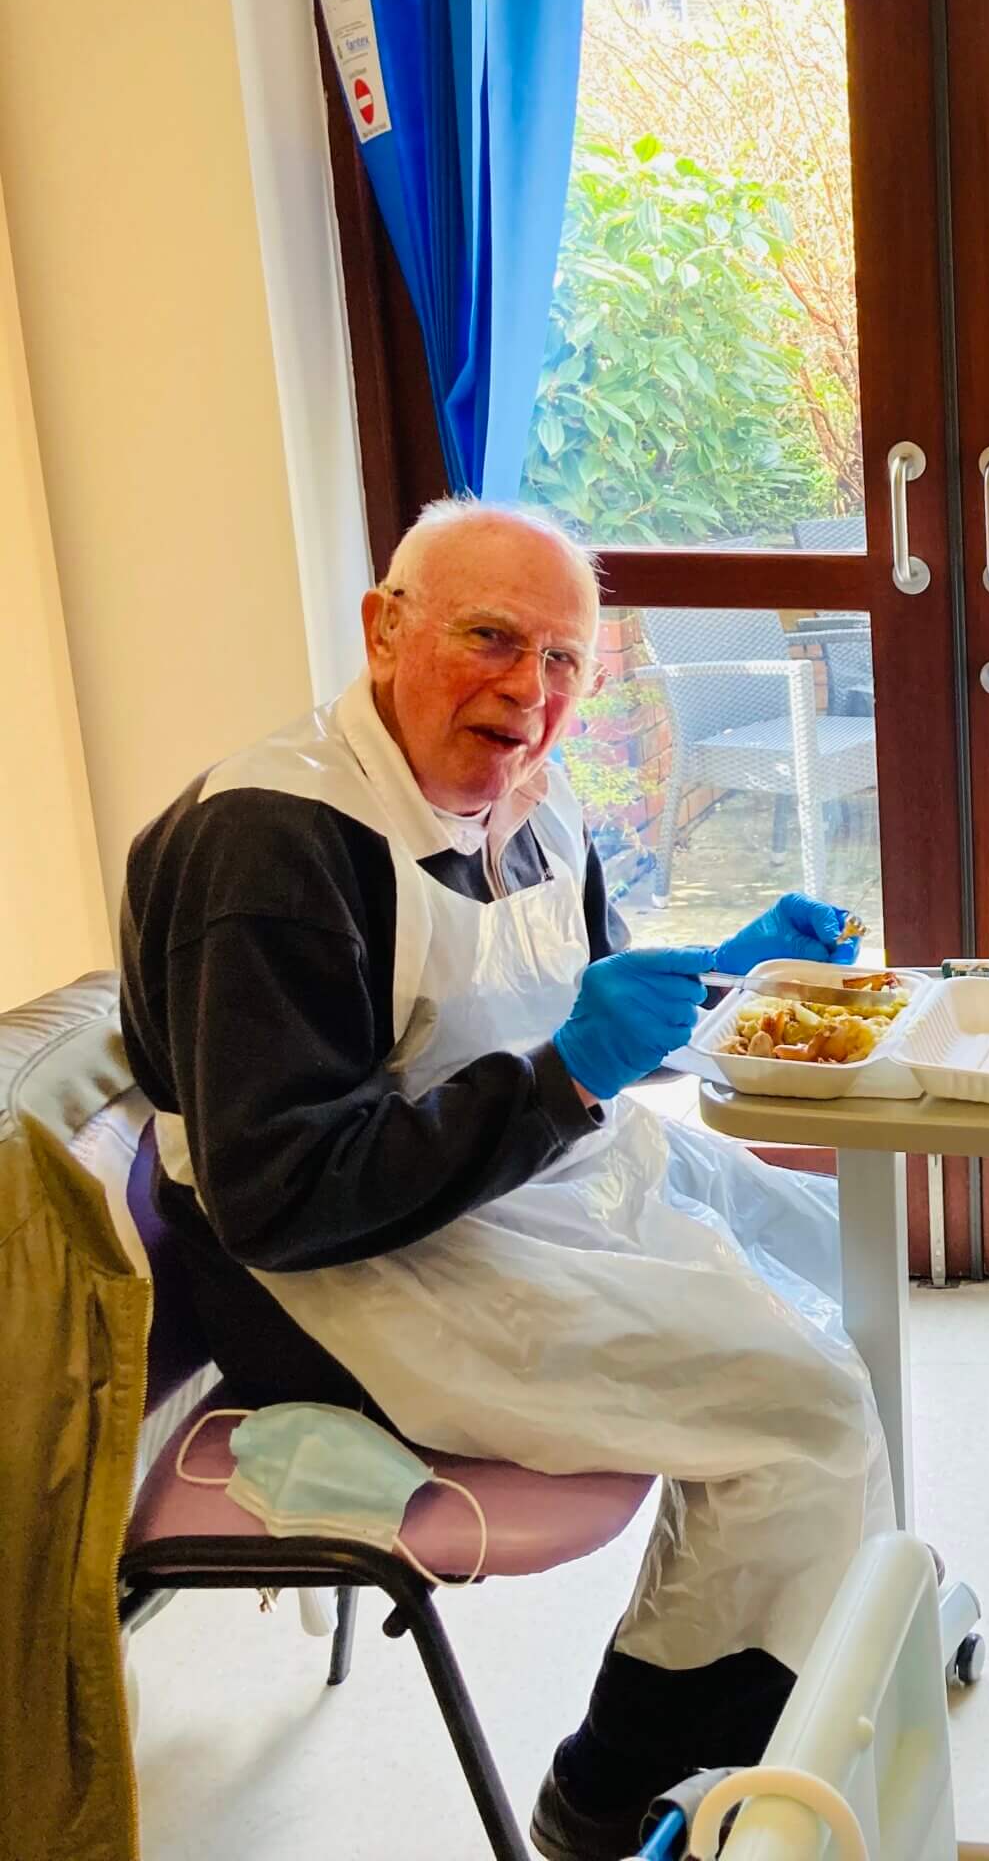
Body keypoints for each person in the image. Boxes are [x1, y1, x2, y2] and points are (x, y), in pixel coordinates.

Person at [119, 499, 893, 1860]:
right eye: (492, 639)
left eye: (564, 663)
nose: (530, 694)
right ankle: (621, 1784)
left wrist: (727, 964)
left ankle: (817, 1657)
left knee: (850, 1260)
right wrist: (565, 1078)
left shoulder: (528, 799)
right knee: (804, 1404)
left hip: (517, 1174)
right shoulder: (277, 846)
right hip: (343, 1275)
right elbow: (281, 1197)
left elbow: (572, 995)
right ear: (384, 629)